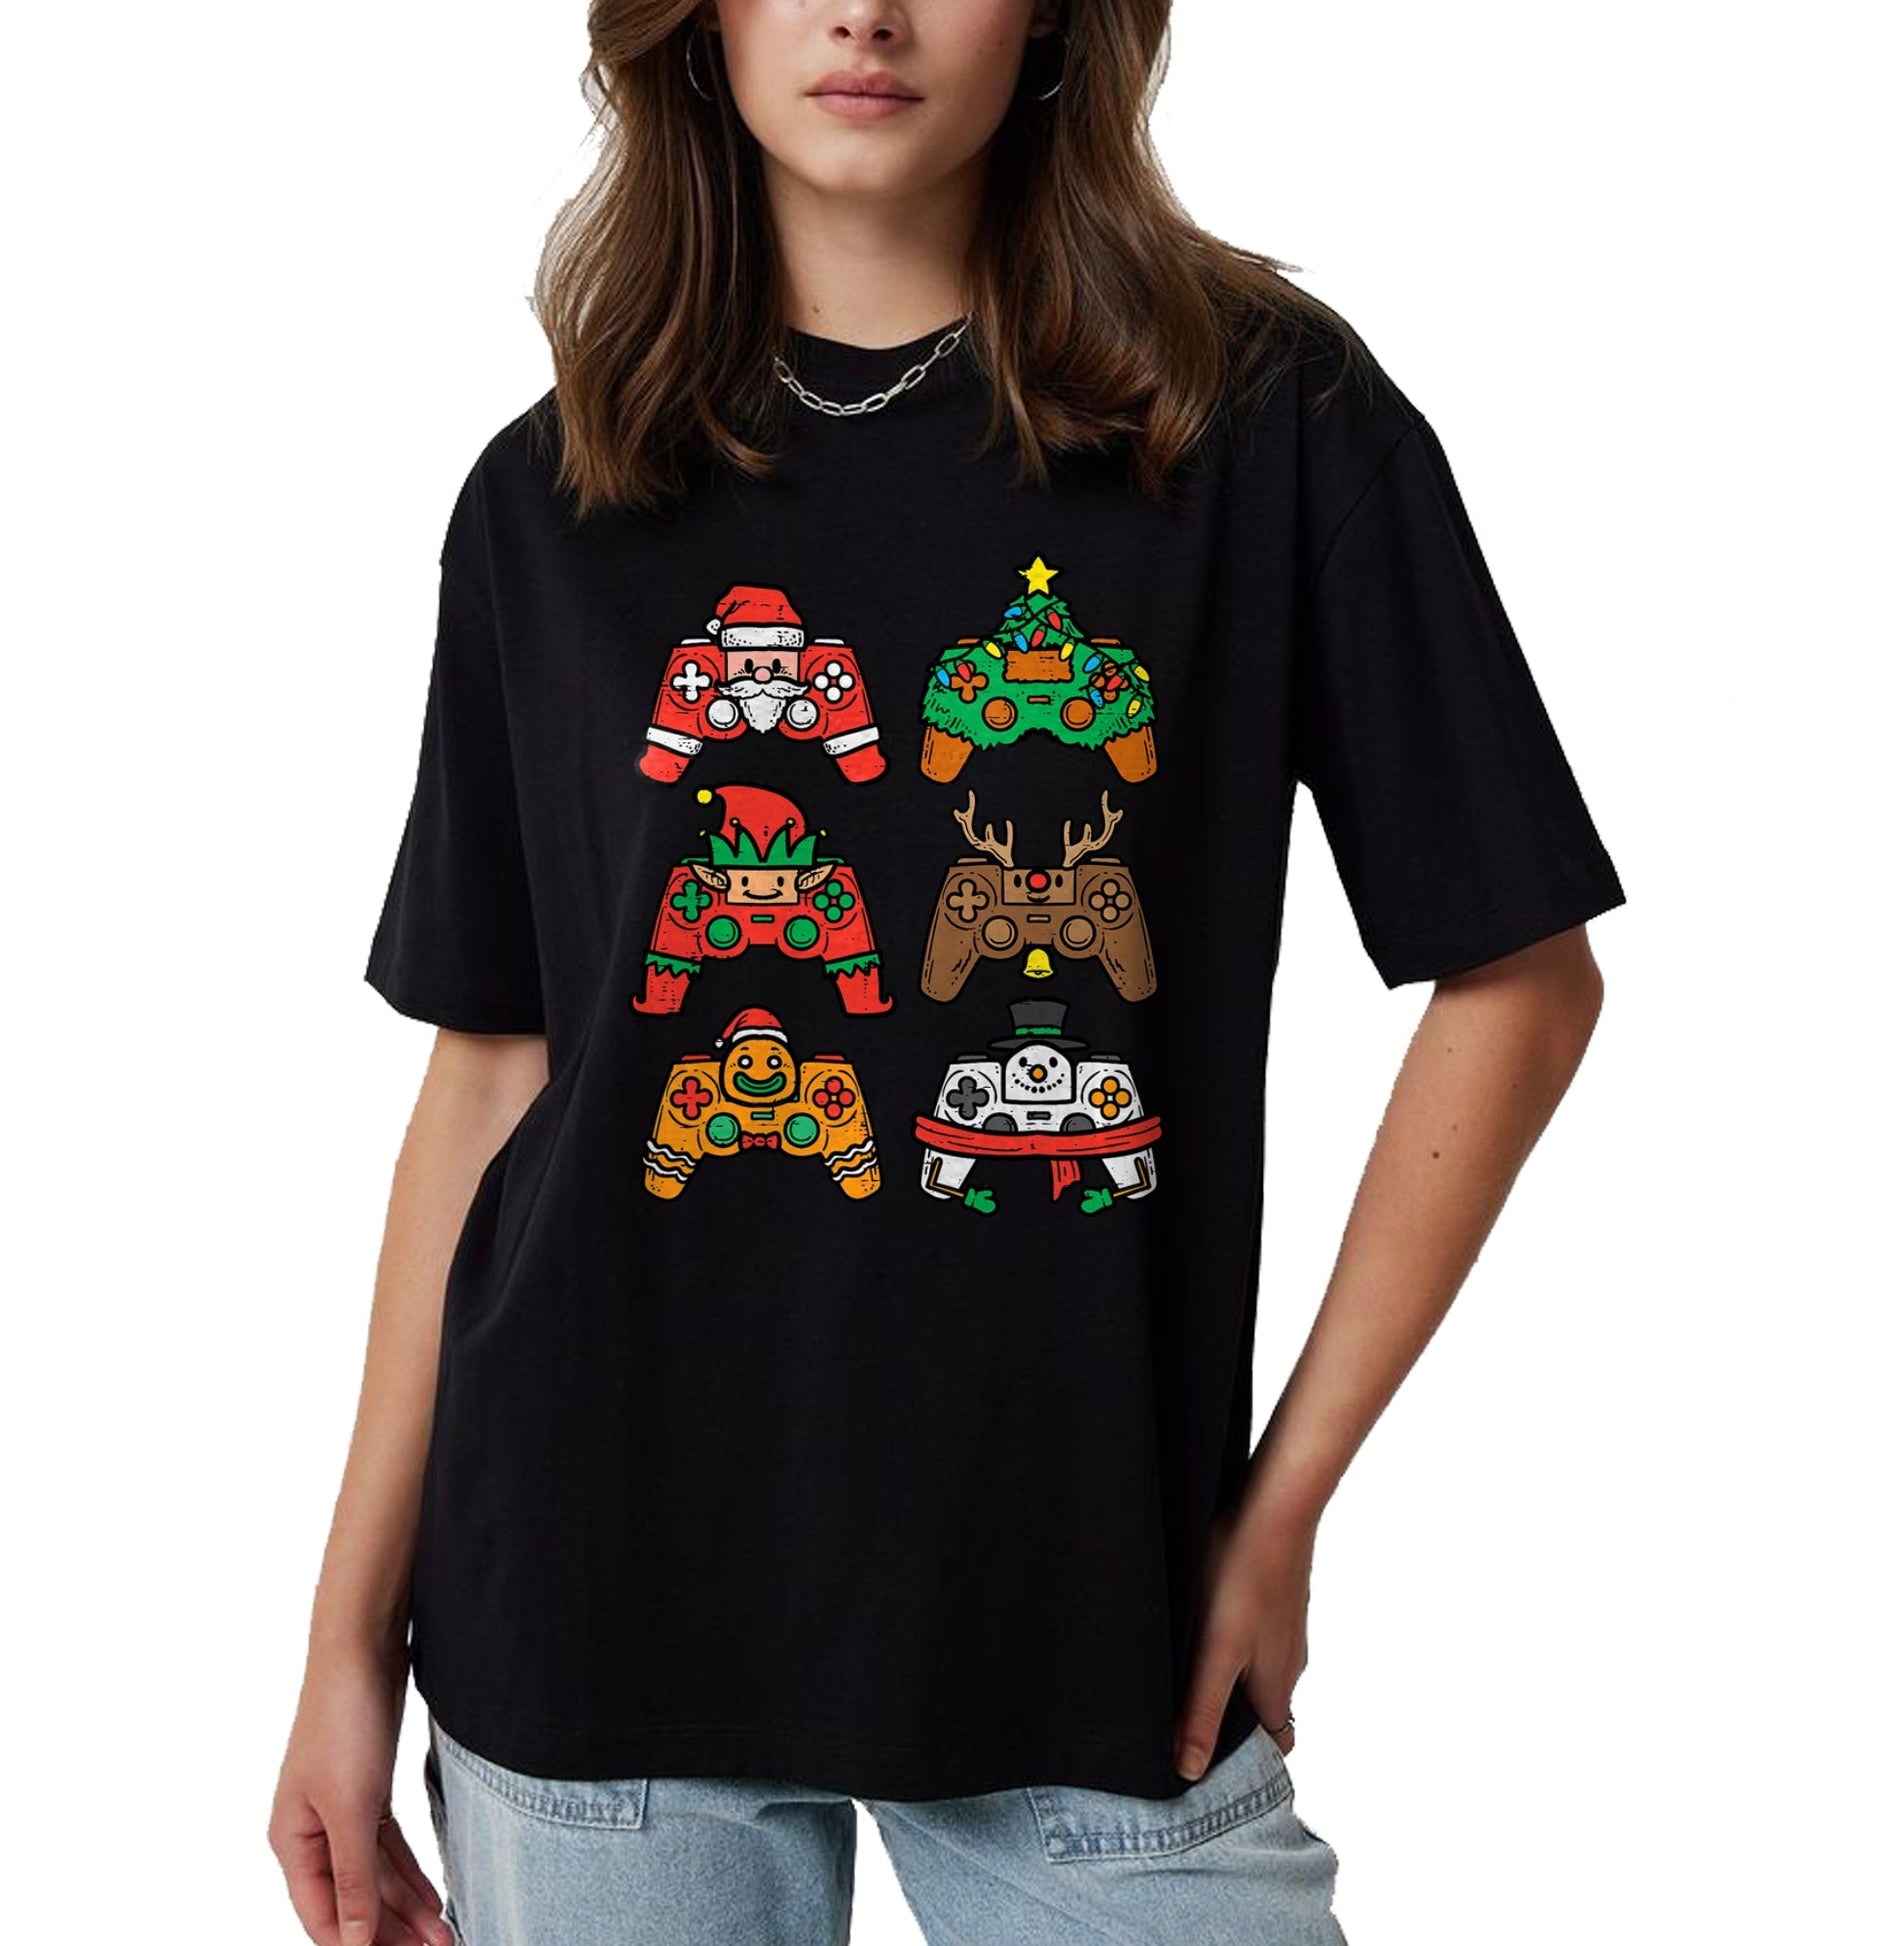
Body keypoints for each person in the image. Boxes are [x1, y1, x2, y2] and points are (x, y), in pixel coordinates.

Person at [267, 2, 1625, 1941]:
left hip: (1091, 1620)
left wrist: (1283, 1501)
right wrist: (343, 1637)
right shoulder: (551, 491)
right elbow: (495, 1072)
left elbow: (1518, 978)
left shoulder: (1258, 422)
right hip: (585, 1603)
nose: (866, 12)